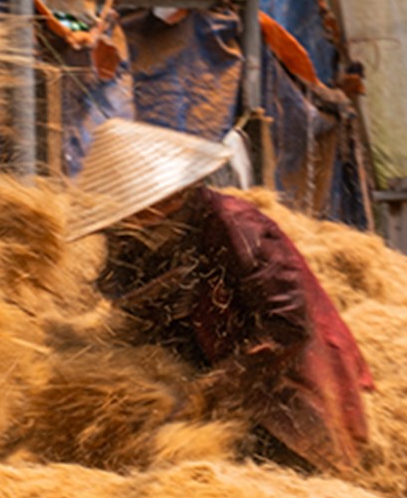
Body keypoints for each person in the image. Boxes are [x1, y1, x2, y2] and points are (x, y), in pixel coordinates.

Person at [69, 118, 374, 475]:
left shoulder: (235, 224)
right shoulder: (135, 237)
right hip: (215, 367)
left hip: (282, 377)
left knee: (290, 471)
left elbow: (288, 322)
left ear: (168, 194)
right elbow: (137, 307)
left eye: (134, 206)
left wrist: (215, 387)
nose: (129, 219)